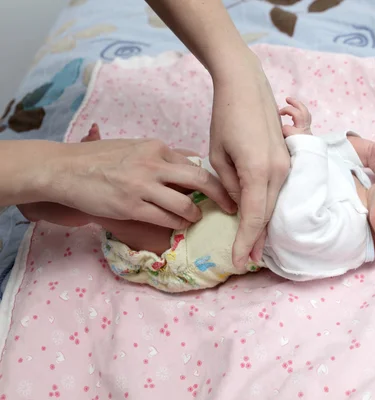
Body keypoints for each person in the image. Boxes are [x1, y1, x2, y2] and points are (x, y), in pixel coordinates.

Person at [20, 98, 375, 293]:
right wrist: (367, 151)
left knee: (143, 214)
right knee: (173, 161)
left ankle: (69, 204)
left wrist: (304, 140)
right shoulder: (362, 184)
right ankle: (73, 177)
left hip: (194, 241)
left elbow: (289, 223)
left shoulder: (351, 241)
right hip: (219, 187)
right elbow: (332, 152)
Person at [2, 0, 290, 269]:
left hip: (203, 241)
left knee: (171, 188)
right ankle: (68, 196)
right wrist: (52, 168)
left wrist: (238, 69)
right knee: (171, 194)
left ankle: (81, 205)